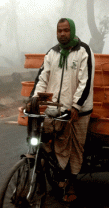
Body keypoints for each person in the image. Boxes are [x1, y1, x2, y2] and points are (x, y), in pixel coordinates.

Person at [29, 18, 95, 202]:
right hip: (54, 109)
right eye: (59, 30)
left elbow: (86, 81)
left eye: (66, 30)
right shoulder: (52, 53)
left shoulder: (83, 51)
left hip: (78, 112)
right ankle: (56, 174)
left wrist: (76, 105)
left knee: (74, 149)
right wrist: (34, 99)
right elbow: (43, 78)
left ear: (72, 31)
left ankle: (71, 183)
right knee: (47, 141)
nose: (62, 34)